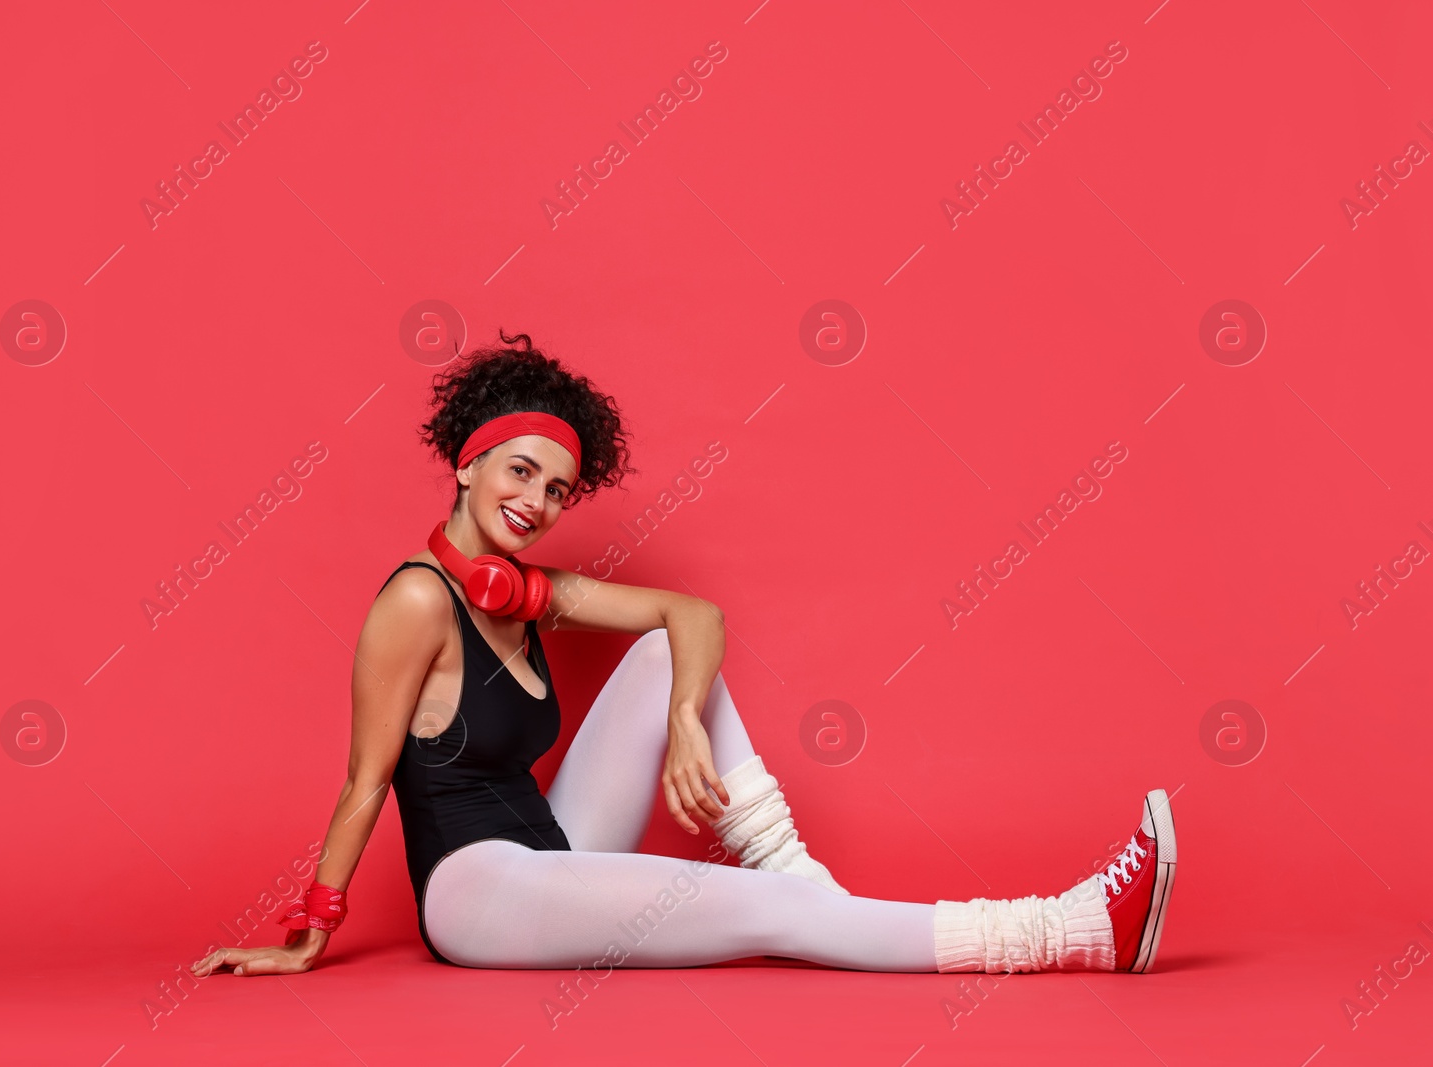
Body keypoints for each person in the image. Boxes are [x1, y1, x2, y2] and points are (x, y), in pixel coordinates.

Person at [191, 330, 1177, 980]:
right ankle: (1067, 928)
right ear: (468, 461)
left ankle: (809, 886)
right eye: (520, 471)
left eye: (557, 490)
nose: (534, 503)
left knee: (667, 658)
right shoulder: (417, 597)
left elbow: (693, 616)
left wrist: (678, 728)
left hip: (553, 855)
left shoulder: (531, 593)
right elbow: (365, 782)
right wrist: (308, 931)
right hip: (477, 894)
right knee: (759, 913)